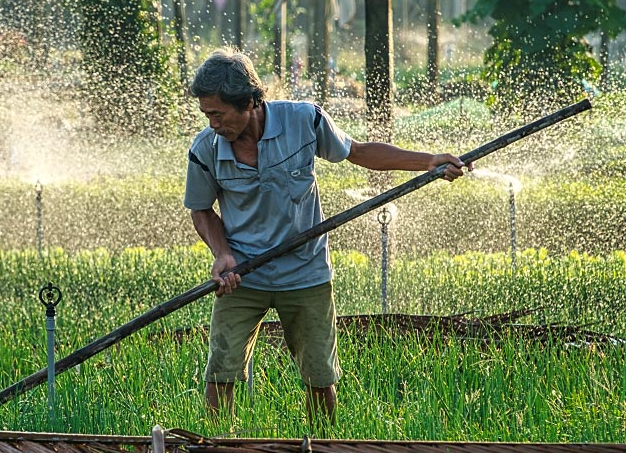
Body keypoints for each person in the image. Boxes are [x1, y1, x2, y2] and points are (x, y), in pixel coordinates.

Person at [184, 49, 468, 420]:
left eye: (218, 114)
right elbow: (201, 209)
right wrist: (222, 253)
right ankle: (219, 447)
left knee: (319, 377)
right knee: (220, 373)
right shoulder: (204, 149)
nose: (212, 124)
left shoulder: (305, 120)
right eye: (207, 115)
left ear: (250, 102)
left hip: (306, 272)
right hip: (243, 274)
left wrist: (427, 162)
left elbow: (358, 152)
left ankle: (323, 446)